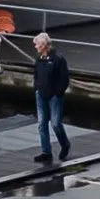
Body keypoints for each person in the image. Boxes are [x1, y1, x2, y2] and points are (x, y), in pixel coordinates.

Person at [30, 31, 72, 164]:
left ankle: (65, 144)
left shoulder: (58, 59)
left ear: (44, 45)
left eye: (37, 44)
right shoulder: (39, 59)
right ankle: (46, 152)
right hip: (41, 95)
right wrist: (36, 88)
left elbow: (64, 78)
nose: (35, 47)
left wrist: (58, 93)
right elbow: (36, 74)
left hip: (54, 96)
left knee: (55, 124)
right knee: (42, 124)